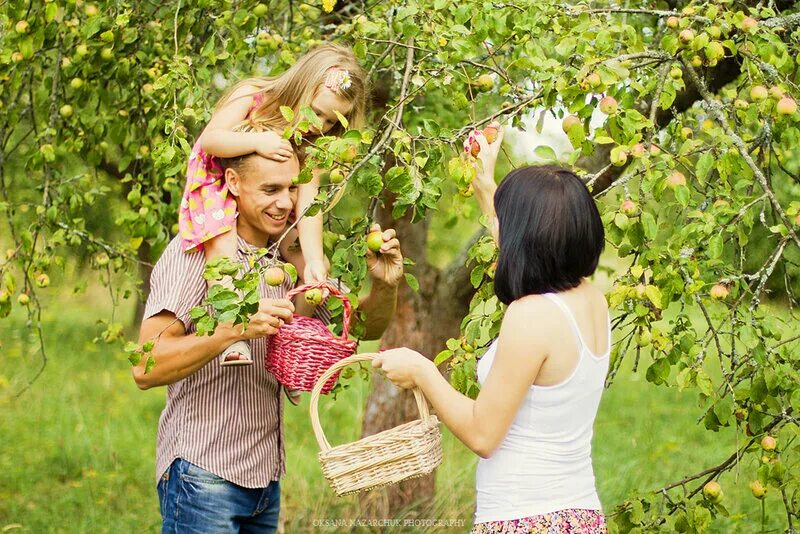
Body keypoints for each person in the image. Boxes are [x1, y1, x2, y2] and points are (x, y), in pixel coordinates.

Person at [133, 141, 403, 533]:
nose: (284, 203)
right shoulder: (195, 253)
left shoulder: (289, 260)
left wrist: (384, 287)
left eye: (293, 188)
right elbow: (145, 365)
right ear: (233, 182)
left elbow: (362, 329)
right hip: (203, 474)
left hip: (265, 481)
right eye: (270, 190)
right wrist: (234, 329)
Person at [372, 124, 610, 533]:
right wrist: (485, 182)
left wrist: (422, 370)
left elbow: (483, 434)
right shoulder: (590, 300)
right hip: (577, 513)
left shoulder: (531, 315)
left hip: (526, 519)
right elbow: (517, 236)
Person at [179, 43, 368, 366]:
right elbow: (210, 140)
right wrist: (257, 141)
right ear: (300, 88)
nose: (320, 125)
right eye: (317, 112)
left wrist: (312, 259)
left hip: (270, 198)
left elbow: (308, 203)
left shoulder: (314, 143)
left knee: (311, 266)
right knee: (223, 258)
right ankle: (233, 334)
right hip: (218, 183)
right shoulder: (254, 96)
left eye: (331, 120)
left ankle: (292, 347)